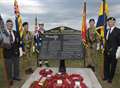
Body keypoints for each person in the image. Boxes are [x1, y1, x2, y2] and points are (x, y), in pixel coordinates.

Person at [3, 19, 21, 86]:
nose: (10, 25)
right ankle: (10, 79)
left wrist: (19, 49)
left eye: (11, 24)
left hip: (15, 52)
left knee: (16, 65)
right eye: (8, 24)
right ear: (6, 25)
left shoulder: (15, 32)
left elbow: (18, 41)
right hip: (7, 53)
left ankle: (16, 76)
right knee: (9, 67)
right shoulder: (3, 33)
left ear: (12, 25)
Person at [103, 17, 120, 83]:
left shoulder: (118, 31)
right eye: (109, 22)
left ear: (114, 22)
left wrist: (118, 50)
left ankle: (110, 78)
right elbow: (106, 40)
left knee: (113, 65)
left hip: (114, 51)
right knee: (106, 64)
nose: (110, 23)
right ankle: (106, 76)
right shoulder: (106, 30)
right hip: (106, 50)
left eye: (111, 22)